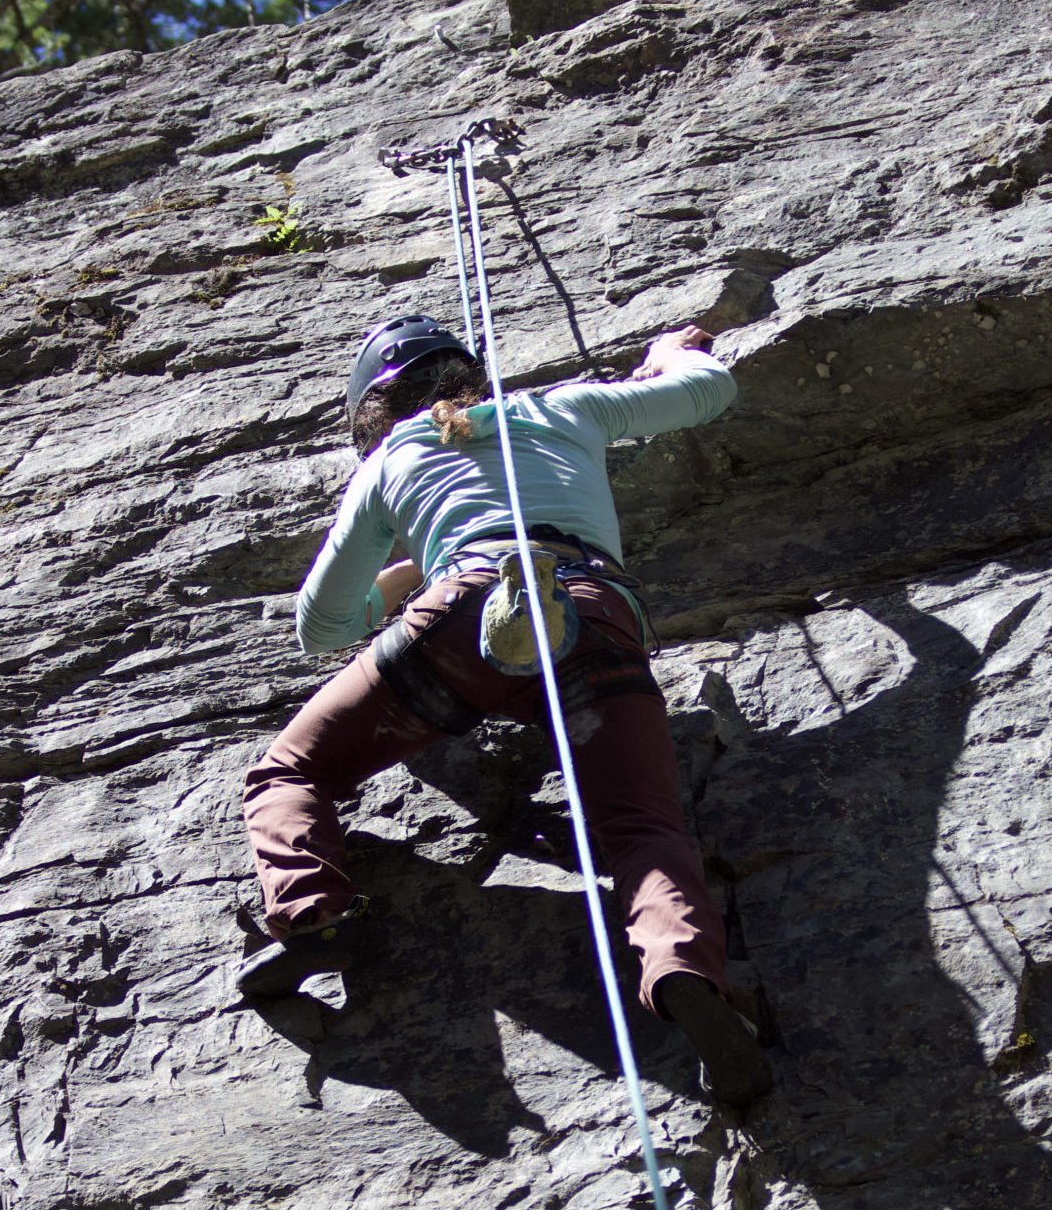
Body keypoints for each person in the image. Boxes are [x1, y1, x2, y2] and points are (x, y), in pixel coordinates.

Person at [237, 314, 772, 1106]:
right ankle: (683, 972)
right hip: (593, 613)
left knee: (291, 770)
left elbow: (320, 627)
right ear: (467, 376)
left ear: (376, 408)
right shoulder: (562, 407)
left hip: (457, 618)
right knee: (641, 831)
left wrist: (413, 570)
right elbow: (708, 389)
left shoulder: (393, 459)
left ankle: (314, 915)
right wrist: (667, 355)